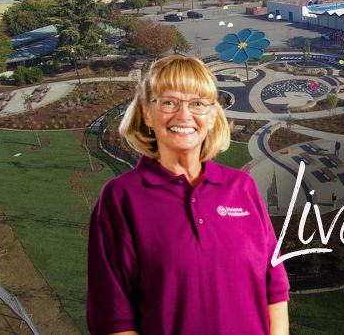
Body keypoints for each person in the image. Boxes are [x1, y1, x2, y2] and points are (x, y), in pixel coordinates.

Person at [87, 55, 289, 335]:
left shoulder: (242, 187)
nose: (184, 116)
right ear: (147, 112)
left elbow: (275, 287)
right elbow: (113, 319)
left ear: (211, 114)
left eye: (197, 103)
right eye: (169, 102)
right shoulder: (121, 198)